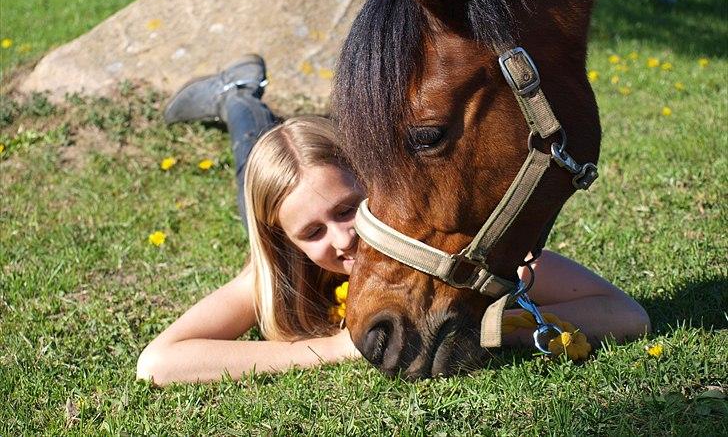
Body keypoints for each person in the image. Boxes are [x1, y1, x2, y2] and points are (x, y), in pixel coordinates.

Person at [136, 56, 650, 386]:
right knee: (251, 147)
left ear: (377, 186)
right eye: (312, 232)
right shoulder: (278, 274)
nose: (344, 239)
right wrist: (336, 349)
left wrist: (497, 326)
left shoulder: (444, 248)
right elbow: (158, 362)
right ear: (286, 241)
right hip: (266, 182)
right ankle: (238, 96)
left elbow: (627, 316)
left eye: (347, 210)